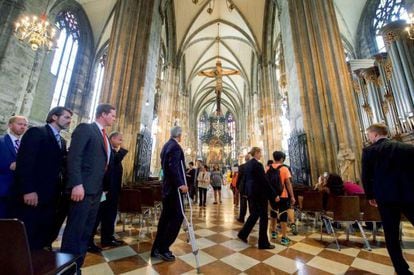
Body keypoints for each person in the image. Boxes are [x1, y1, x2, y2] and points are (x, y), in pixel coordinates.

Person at [61, 103, 116, 270]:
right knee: (75, 230)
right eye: (112, 115)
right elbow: (74, 157)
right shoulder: (86, 129)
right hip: (82, 189)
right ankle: (66, 269)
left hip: (96, 191)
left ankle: (78, 266)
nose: (114, 118)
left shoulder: (105, 136)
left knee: (86, 231)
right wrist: (77, 184)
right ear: (103, 114)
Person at [14, 107, 71, 250]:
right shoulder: (37, 133)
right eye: (66, 117)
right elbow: (25, 163)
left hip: (51, 196)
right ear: (54, 117)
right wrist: (28, 190)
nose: (70, 121)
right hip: (34, 193)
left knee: (42, 234)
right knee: (27, 234)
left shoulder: (62, 141)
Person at [361, 123, 414, 275]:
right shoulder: (406, 148)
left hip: (385, 198)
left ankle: (402, 269)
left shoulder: (369, 151)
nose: (368, 138)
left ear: (375, 134)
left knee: (391, 235)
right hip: (408, 195)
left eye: (369, 135)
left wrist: (370, 195)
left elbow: (366, 176)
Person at [151, 126, 188, 262]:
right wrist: (180, 184)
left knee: (165, 219)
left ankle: (156, 248)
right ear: (179, 135)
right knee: (177, 217)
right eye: (182, 135)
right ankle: (164, 248)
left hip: (167, 188)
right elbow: (173, 167)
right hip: (174, 190)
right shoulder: (175, 147)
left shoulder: (166, 146)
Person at [89, 131, 128, 252]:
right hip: (105, 190)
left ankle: (107, 238)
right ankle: (89, 241)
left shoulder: (113, 151)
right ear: (112, 139)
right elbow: (113, 163)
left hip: (113, 191)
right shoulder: (107, 151)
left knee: (110, 215)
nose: (121, 142)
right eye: (119, 139)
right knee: (97, 215)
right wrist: (123, 150)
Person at [237, 147, 275, 249]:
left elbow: (245, 179)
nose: (261, 155)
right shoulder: (258, 165)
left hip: (250, 193)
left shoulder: (247, 164)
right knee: (263, 217)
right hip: (259, 194)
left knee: (254, 214)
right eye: (260, 153)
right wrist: (273, 194)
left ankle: (243, 234)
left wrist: (245, 192)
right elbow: (264, 181)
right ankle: (263, 243)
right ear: (256, 153)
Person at [0, 115, 28, 218]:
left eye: (25, 125)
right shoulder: (1, 141)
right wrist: (7, 166)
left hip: (17, 193)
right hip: (2, 189)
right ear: (10, 125)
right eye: (20, 124)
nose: (23, 127)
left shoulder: (26, 145)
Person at [268, 151, 296, 245]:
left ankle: (274, 232)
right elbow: (288, 184)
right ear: (281, 159)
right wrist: (292, 196)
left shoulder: (268, 168)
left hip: (272, 195)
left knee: (273, 213)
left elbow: (266, 183)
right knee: (283, 215)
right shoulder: (284, 169)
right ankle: (284, 237)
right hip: (283, 195)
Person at [236, 153, 252, 223]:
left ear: (245, 159)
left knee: (243, 203)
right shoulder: (254, 166)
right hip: (251, 187)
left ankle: (241, 218)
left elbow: (239, 177)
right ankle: (252, 217)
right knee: (251, 203)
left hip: (243, 187)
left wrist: (237, 185)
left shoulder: (241, 167)